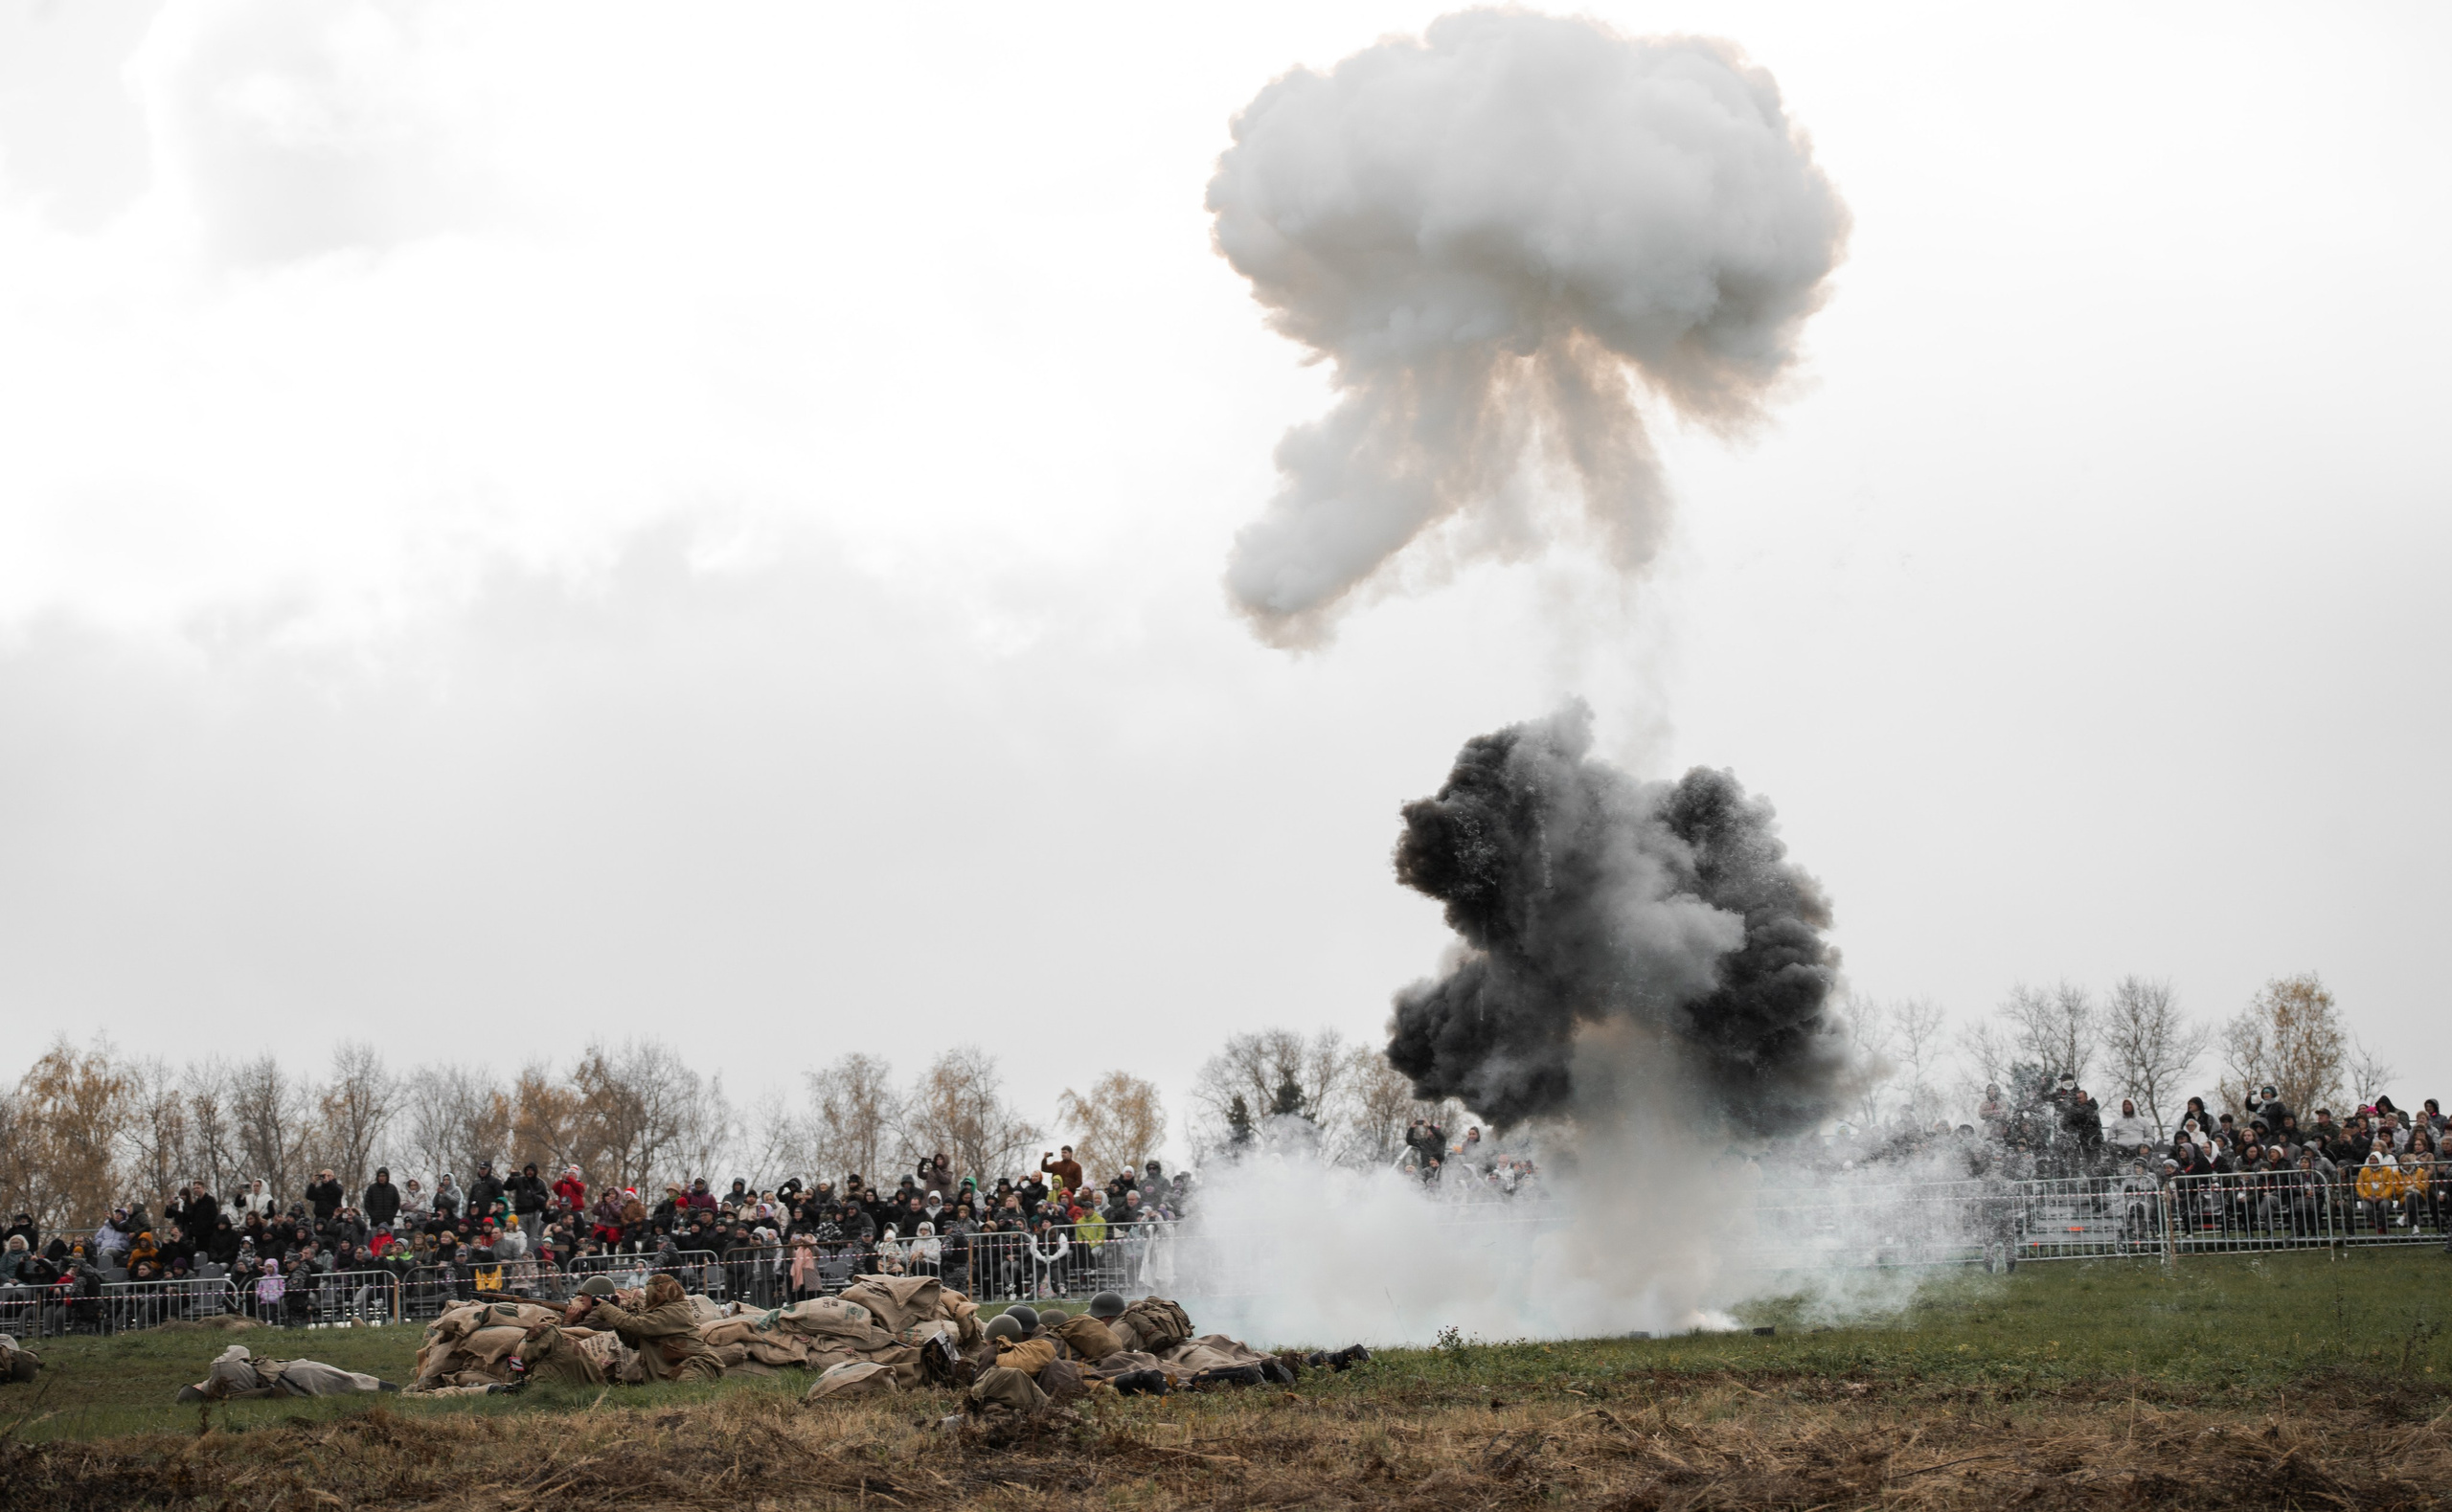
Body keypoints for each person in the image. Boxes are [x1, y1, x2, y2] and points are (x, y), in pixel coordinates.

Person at [569, 1273, 722, 1383]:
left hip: (696, 1364)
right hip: (676, 1367)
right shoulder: (659, 1311)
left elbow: (637, 1326)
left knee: (687, 1388)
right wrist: (617, 1313)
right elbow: (634, 1341)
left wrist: (606, 1308)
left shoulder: (675, 1311)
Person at [176, 1343, 398, 1401]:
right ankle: (391, 1389)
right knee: (346, 1378)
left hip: (289, 1386)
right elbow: (239, 1349)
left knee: (342, 1386)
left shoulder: (226, 1398)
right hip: (292, 1372)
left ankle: (385, 1389)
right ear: (197, 1389)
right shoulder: (217, 1368)